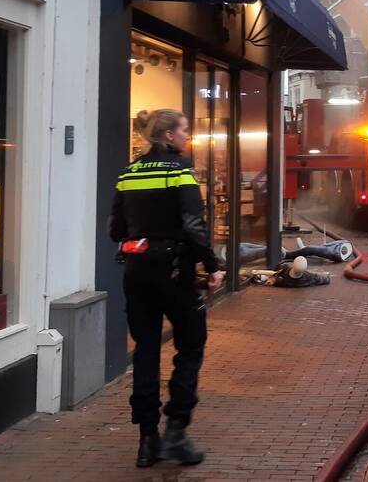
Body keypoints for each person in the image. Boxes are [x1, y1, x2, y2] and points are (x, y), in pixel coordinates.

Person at [109, 109, 226, 468]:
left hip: (137, 271)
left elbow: (116, 230)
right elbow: (193, 224)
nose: (188, 138)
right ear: (170, 136)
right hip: (175, 271)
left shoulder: (128, 172)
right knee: (190, 347)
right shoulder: (180, 172)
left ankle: (147, 440)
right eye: (185, 132)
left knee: (145, 349)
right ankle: (176, 431)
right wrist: (213, 264)